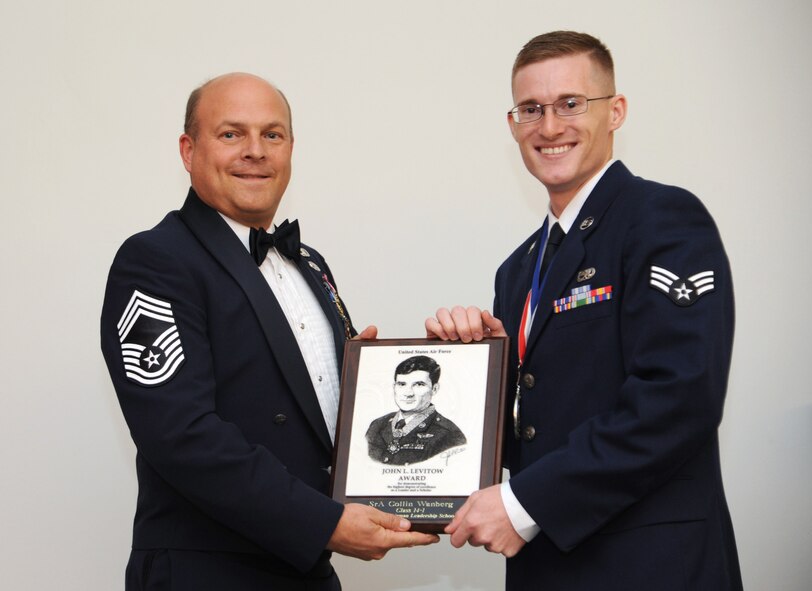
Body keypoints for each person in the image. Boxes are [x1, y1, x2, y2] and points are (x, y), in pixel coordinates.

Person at [426, 31, 742, 590]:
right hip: (547, 566)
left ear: (615, 111)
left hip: (649, 565)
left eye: (571, 104)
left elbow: (679, 397)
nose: (549, 127)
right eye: (531, 109)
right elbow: (538, 419)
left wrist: (523, 504)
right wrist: (476, 367)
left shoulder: (662, 219)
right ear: (512, 124)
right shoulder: (519, 268)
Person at [100, 72, 437, 591]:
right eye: (231, 134)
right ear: (189, 150)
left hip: (303, 568)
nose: (255, 151)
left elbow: (308, 414)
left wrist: (366, 386)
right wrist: (323, 523)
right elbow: (182, 436)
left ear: (290, 150)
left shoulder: (308, 264)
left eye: (271, 135)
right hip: (208, 572)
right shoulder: (155, 260)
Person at [366, 355, 466, 464]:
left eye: (419, 384)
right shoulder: (377, 425)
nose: (408, 393)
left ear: (434, 389)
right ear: (394, 386)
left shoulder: (449, 435)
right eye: (402, 384)